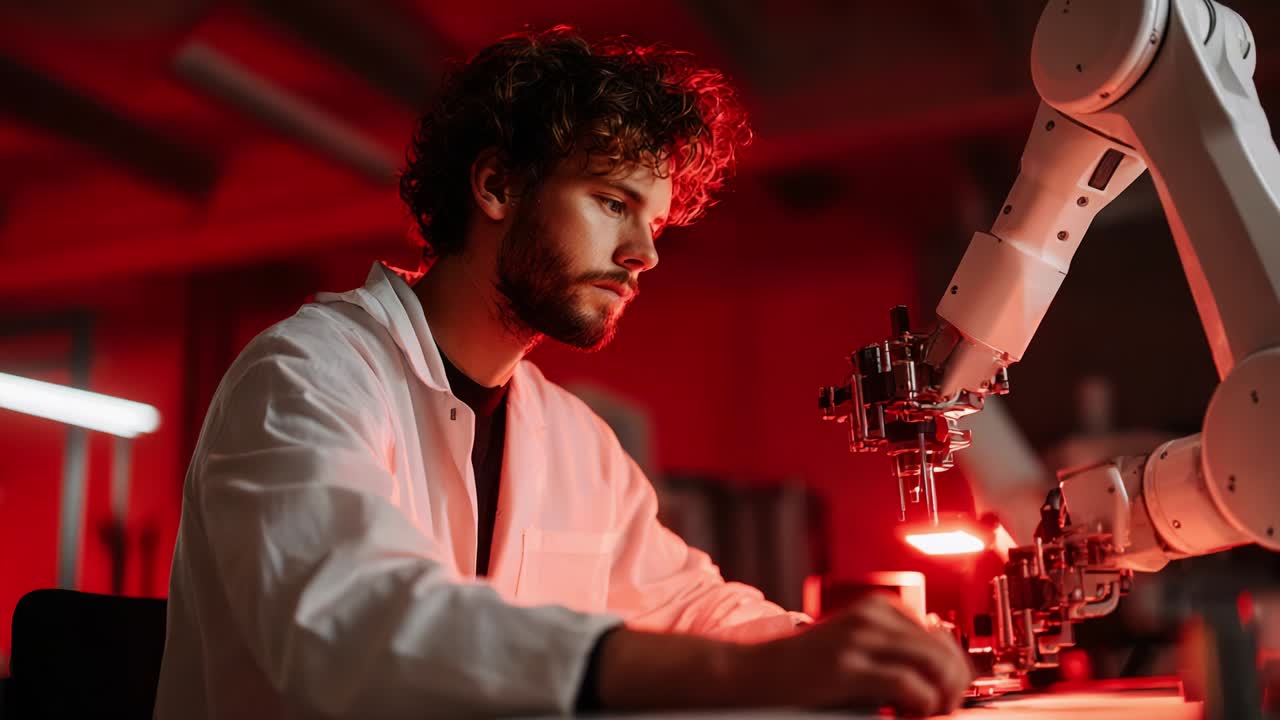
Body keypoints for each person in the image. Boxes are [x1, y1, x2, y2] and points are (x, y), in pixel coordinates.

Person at [154, 26, 971, 719]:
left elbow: (685, 606)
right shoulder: (305, 376)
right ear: (497, 183)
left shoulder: (573, 441)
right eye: (612, 202)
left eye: (654, 223)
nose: (644, 255)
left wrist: (823, 648)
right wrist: (752, 675)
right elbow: (350, 621)